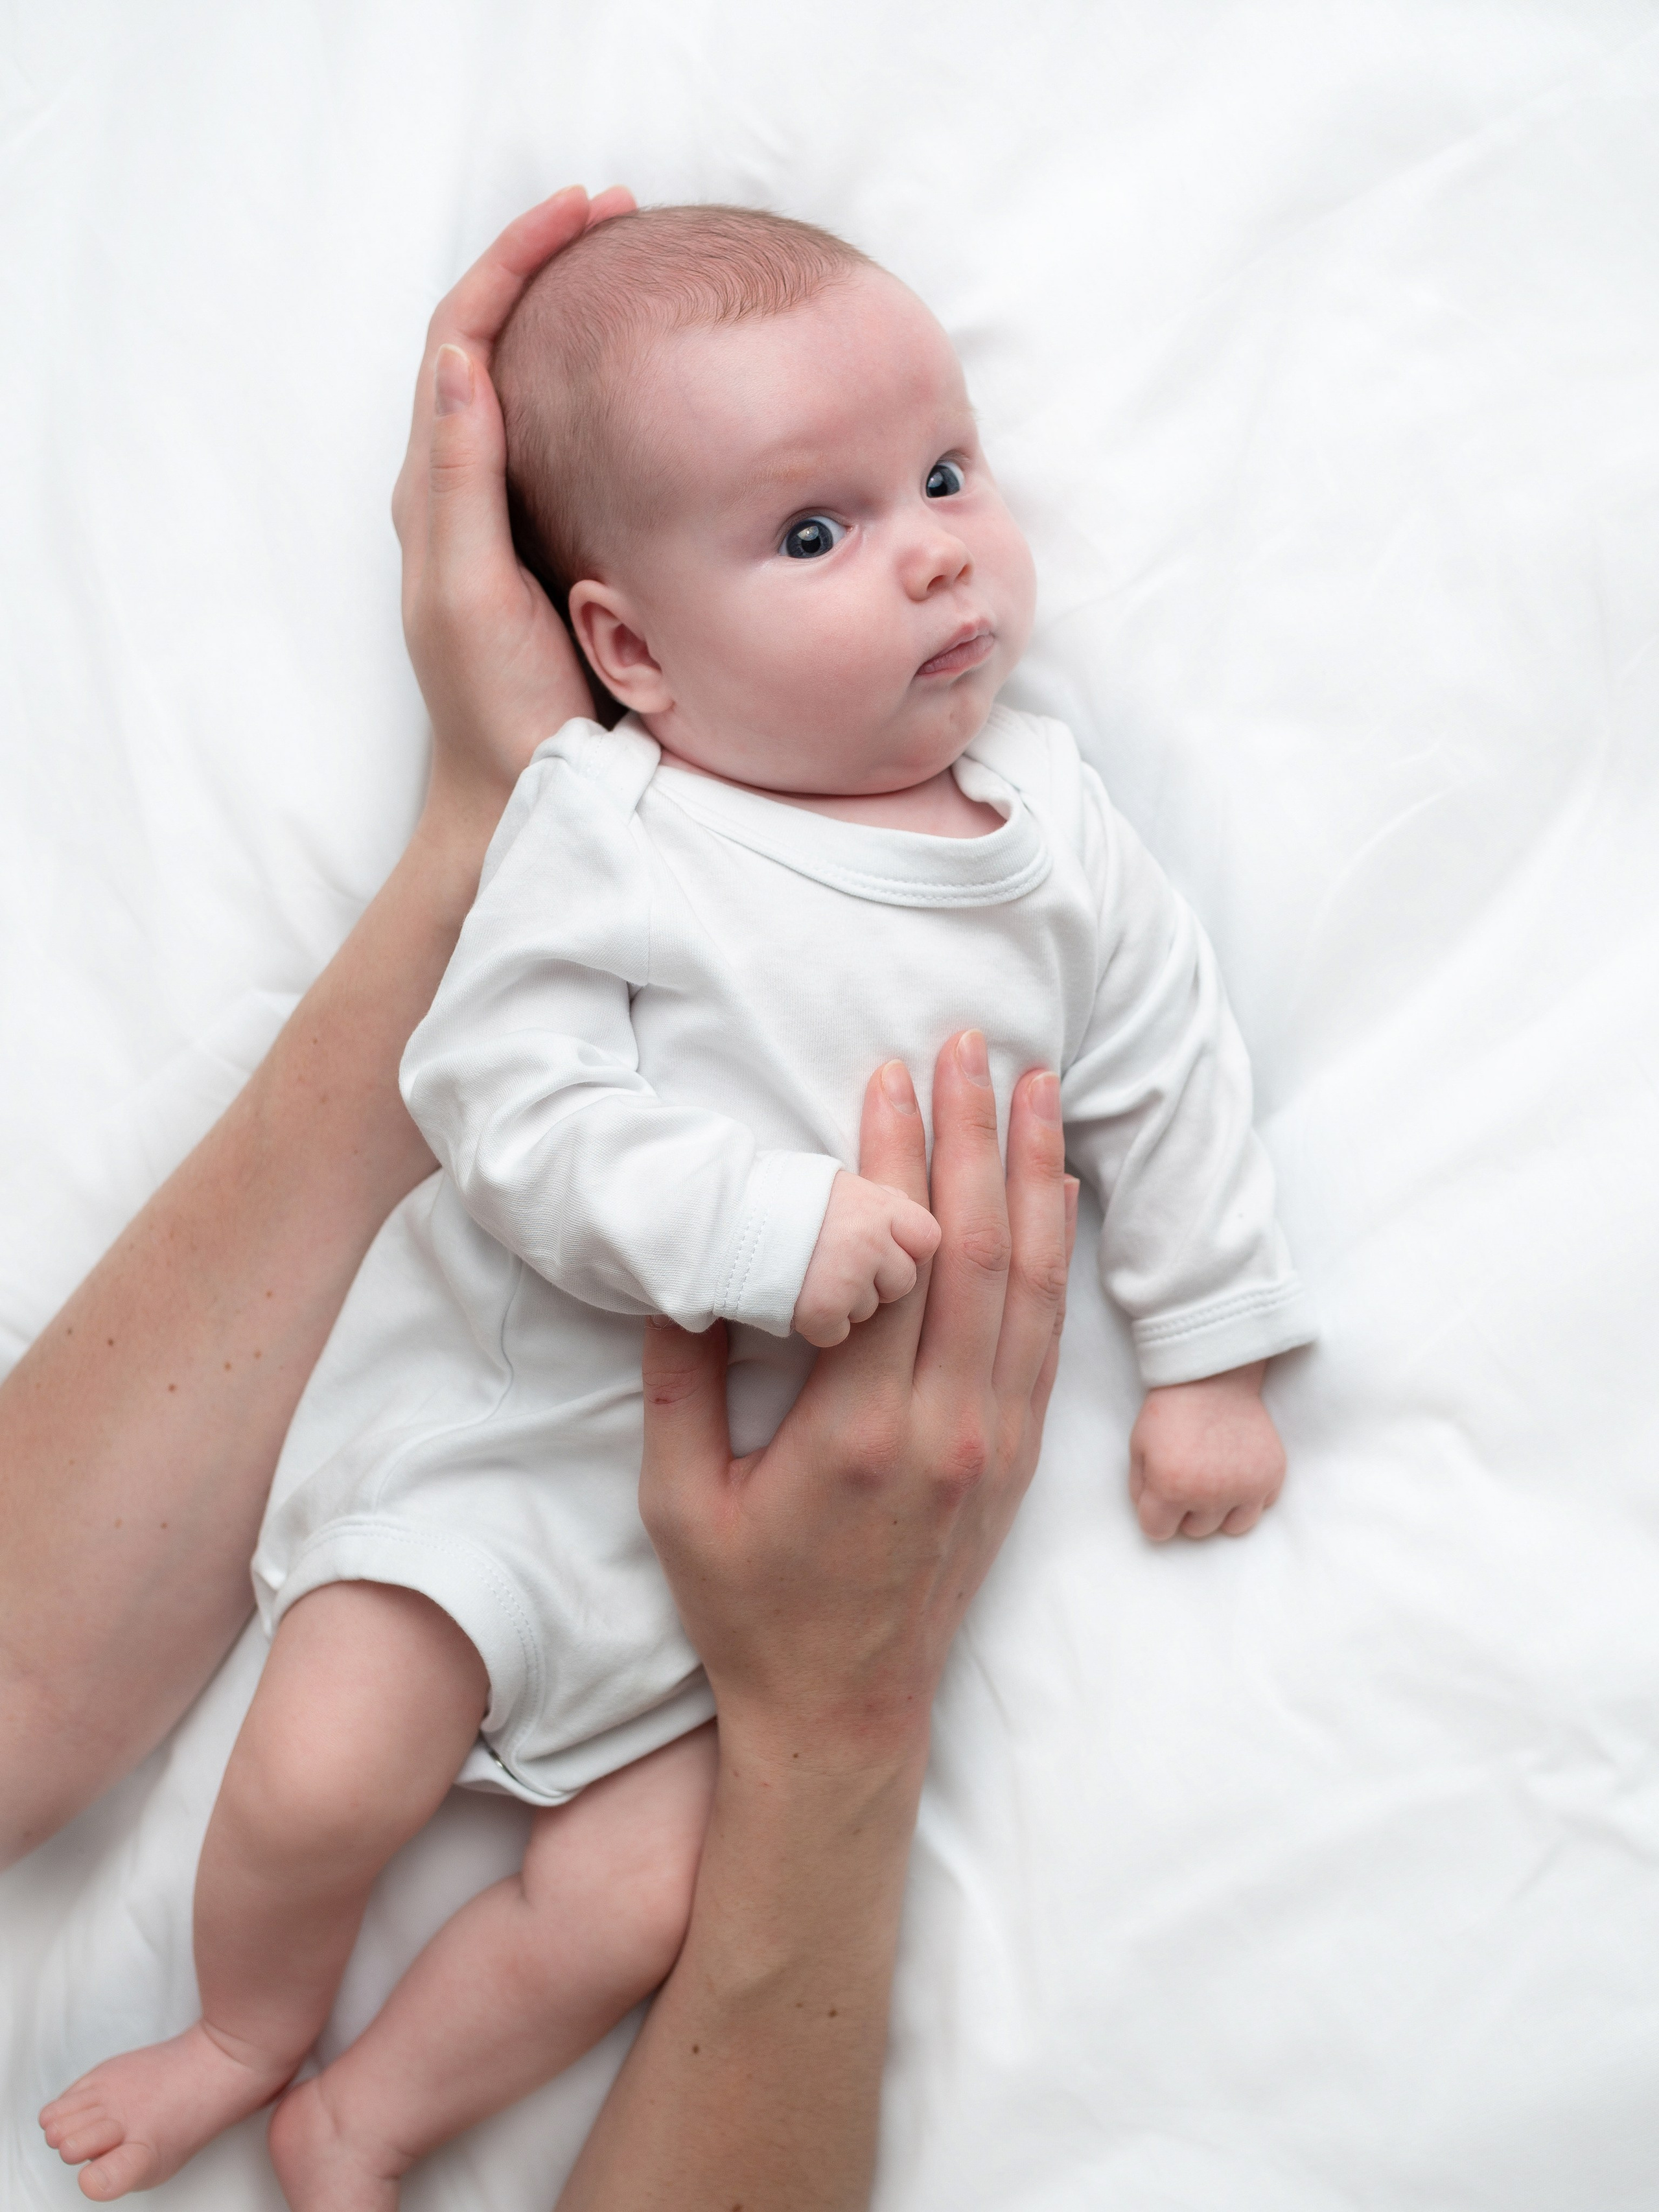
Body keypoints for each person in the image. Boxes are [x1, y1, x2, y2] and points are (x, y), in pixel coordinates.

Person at [40, 204, 1314, 2204]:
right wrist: (748, 1228)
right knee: (317, 1773)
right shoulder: (618, 825)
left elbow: (1170, 1079)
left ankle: (367, 2114)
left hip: (779, 1565)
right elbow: (495, 1094)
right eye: (814, 534)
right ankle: (241, 2023)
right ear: (628, 648)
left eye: (946, 472)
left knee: (633, 1909)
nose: (932, 547)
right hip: (506, 1455)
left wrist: (1211, 1353)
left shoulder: (1060, 833)